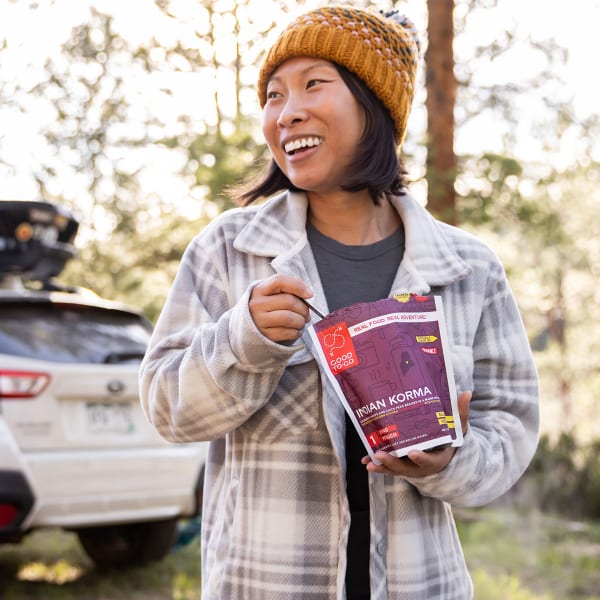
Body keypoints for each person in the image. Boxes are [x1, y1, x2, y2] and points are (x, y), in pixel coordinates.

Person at [139, 5, 539, 599]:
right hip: (261, 583)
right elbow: (167, 410)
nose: (287, 110)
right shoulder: (226, 250)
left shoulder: (466, 268)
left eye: (313, 84)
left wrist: (450, 461)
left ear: (374, 106)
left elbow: (510, 425)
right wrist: (241, 341)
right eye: (273, 95)